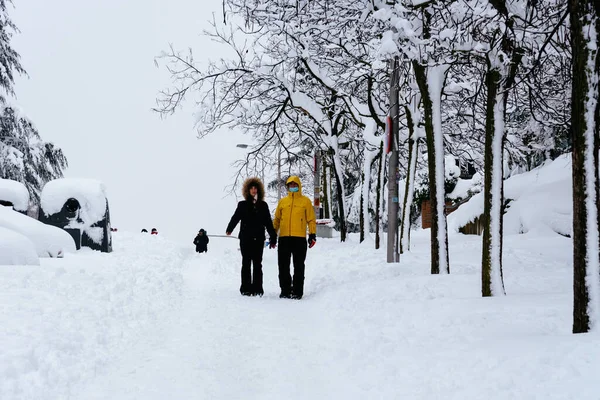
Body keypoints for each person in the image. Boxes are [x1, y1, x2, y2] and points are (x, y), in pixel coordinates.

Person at [226, 177, 277, 297]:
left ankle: (258, 289)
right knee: (246, 263)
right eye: (251, 188)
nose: (254, 190)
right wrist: (230, 228)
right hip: (245, 238)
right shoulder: (242, 205)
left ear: (259, 190)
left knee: (257, 264)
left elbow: (268, 222)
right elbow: (236, 217)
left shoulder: (263, 205)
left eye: (255, 188)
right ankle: (246, 288)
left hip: (259, 239)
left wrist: (273, 236)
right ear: (247, 190)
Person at [273, 176, 316, 300]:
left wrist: (312, 234)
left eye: (294, 185)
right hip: (284, 238)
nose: (292, 187)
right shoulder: (283, 202)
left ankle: (297, 291)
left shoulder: (305, 201)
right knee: (283, 266)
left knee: (298, 266)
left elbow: (311, 219)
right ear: (287, 187)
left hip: (299, 239)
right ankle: (285, 290)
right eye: (290, 185)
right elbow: (276, 220)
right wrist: (273, 234)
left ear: (299, 186)